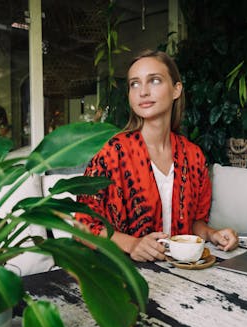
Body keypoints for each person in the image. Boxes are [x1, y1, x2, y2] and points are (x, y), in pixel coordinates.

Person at [76, 49, 238, 262]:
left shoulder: (194, 156)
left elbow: (194, 223)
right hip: (123, 272)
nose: (143, 91)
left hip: (178, 271)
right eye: (134, 84)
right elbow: (84, 226)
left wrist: (212, 234)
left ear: (176, 90)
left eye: (154, 80)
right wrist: (132, 244)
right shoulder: (111, 153)